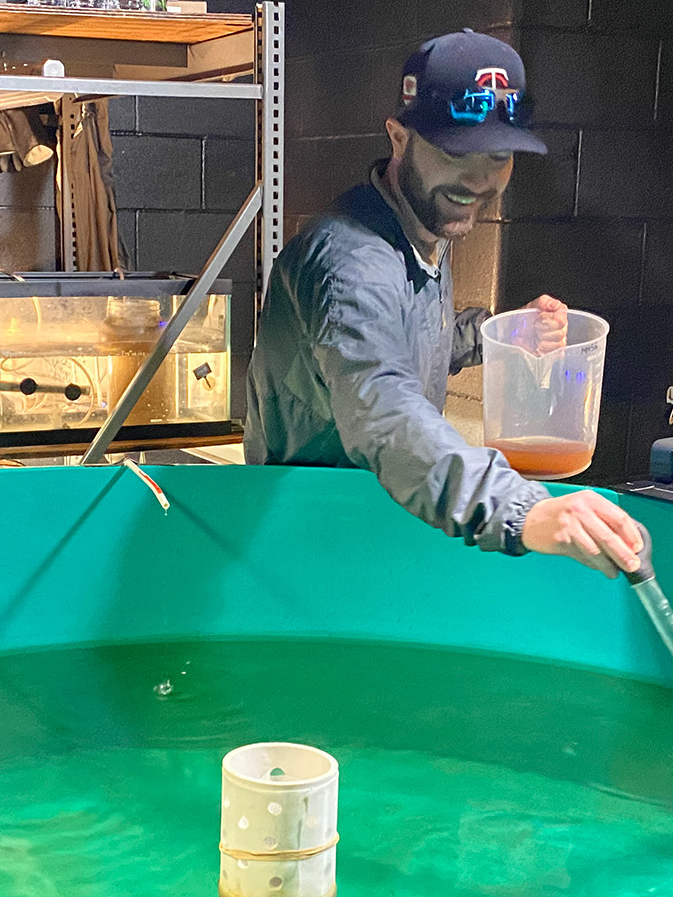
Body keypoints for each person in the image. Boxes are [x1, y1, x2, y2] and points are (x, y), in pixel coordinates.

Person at [244, 29, 644, 576]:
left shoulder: (423, 224)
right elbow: (383, 407)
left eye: (499, 154)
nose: (479, 178)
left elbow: (409, 340)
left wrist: (497, 333)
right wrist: (523, 510)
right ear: (399, 137)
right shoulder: (350, 264)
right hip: (308, 542)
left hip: (372, 519)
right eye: (457, 150)